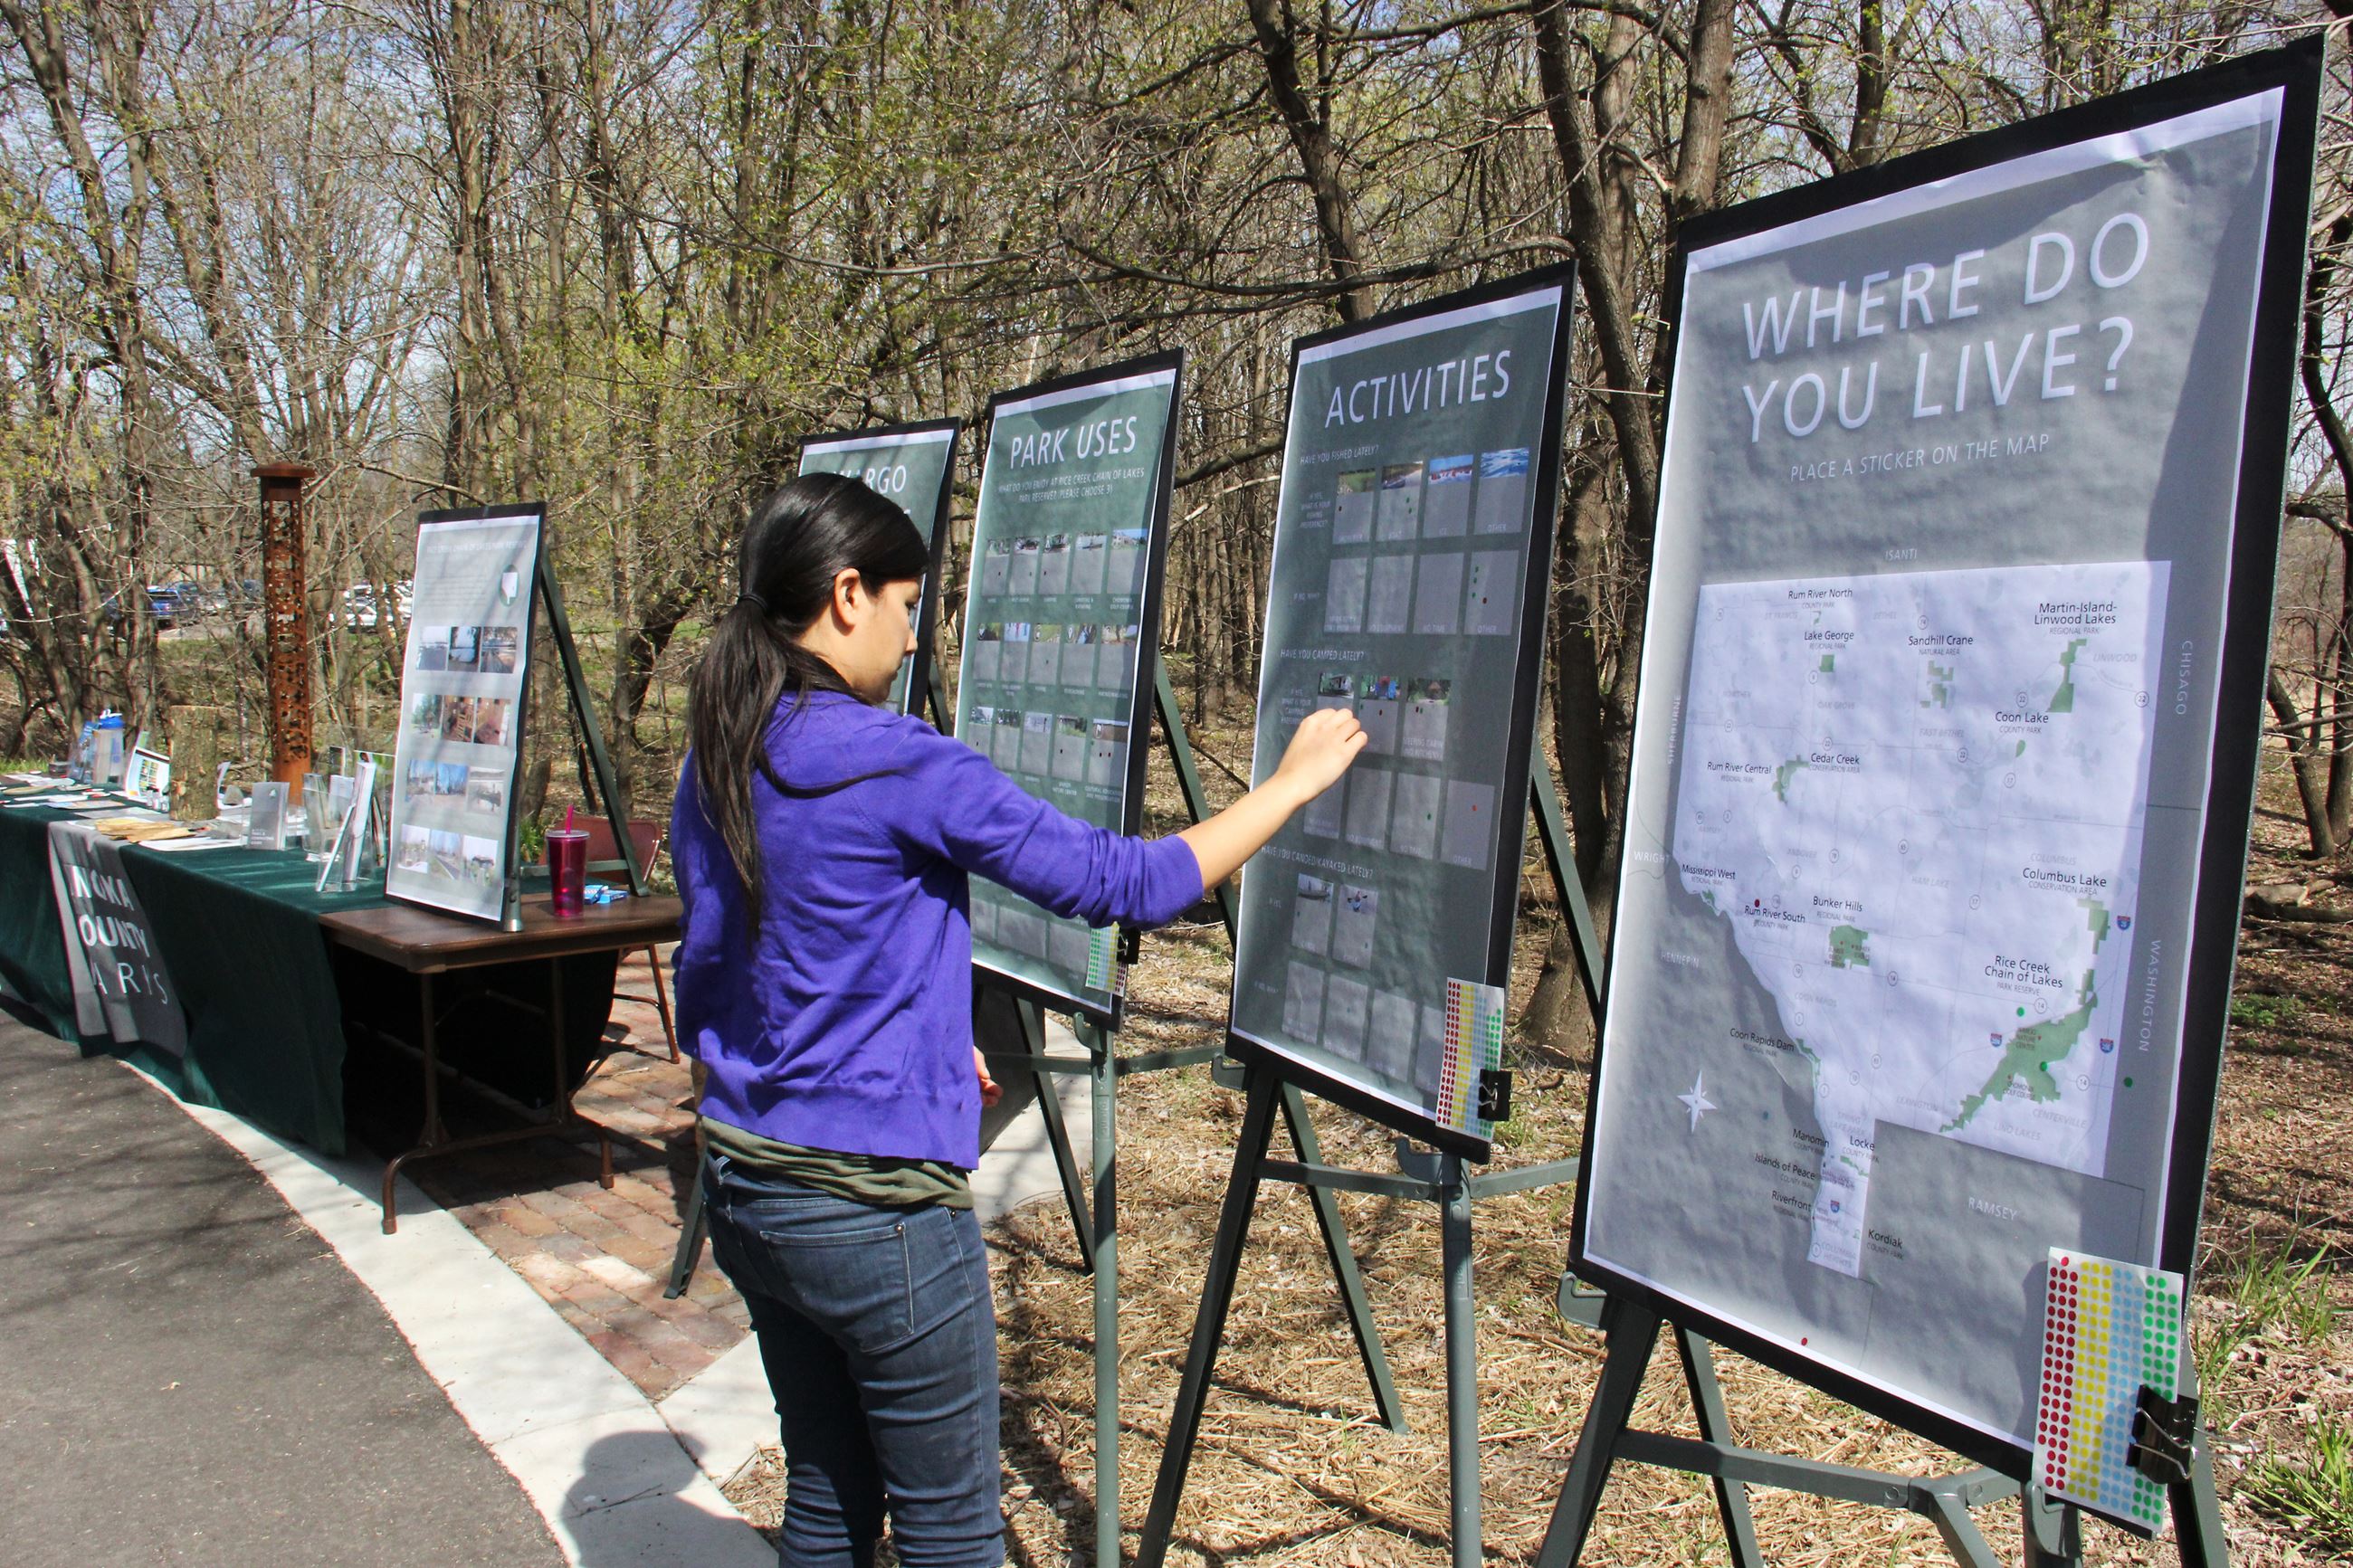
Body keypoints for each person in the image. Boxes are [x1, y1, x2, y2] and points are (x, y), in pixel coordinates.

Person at [671, 471, 1364, 1568]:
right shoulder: (901, 760)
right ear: (846, 596)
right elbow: (1126, 883)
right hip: (876, 1211)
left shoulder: (718, 749)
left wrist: (920, 1051)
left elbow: (738, 965)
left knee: (827, 1497)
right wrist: (1284, 787)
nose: (909, 641)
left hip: (748, 1185)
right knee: (950, 1527)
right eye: (905, 607)